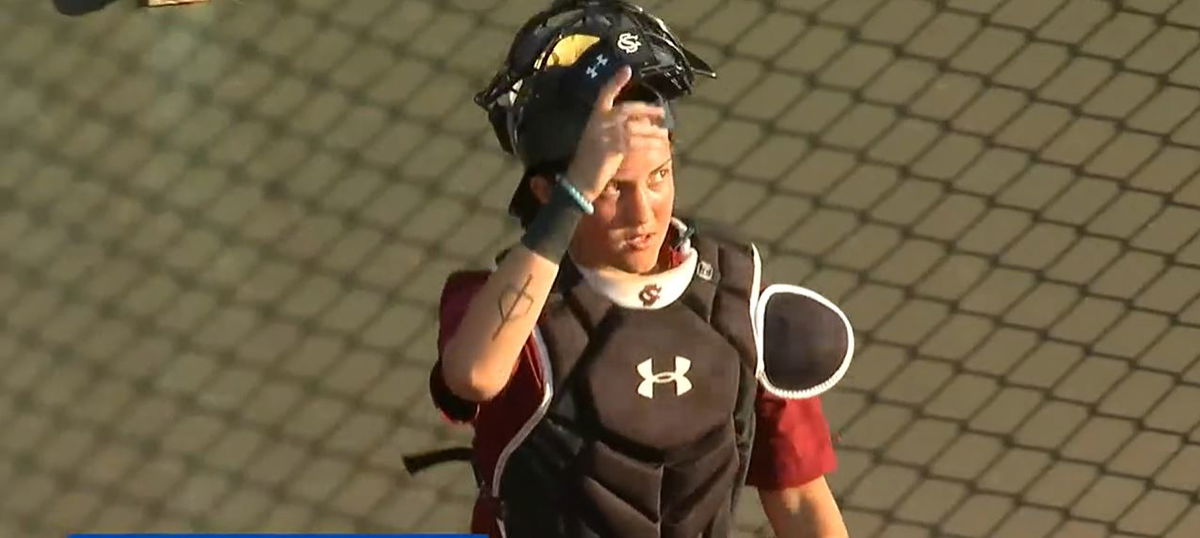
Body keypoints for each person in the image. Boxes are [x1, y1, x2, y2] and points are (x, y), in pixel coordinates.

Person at [412, 2, 855, 536]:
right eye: (613, 189)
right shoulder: (498, 306)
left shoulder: (739, 302)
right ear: (548, 192)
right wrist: (575, 194)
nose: (644, 213)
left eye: (659, 176)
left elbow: (801, 497)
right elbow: (474, 376)